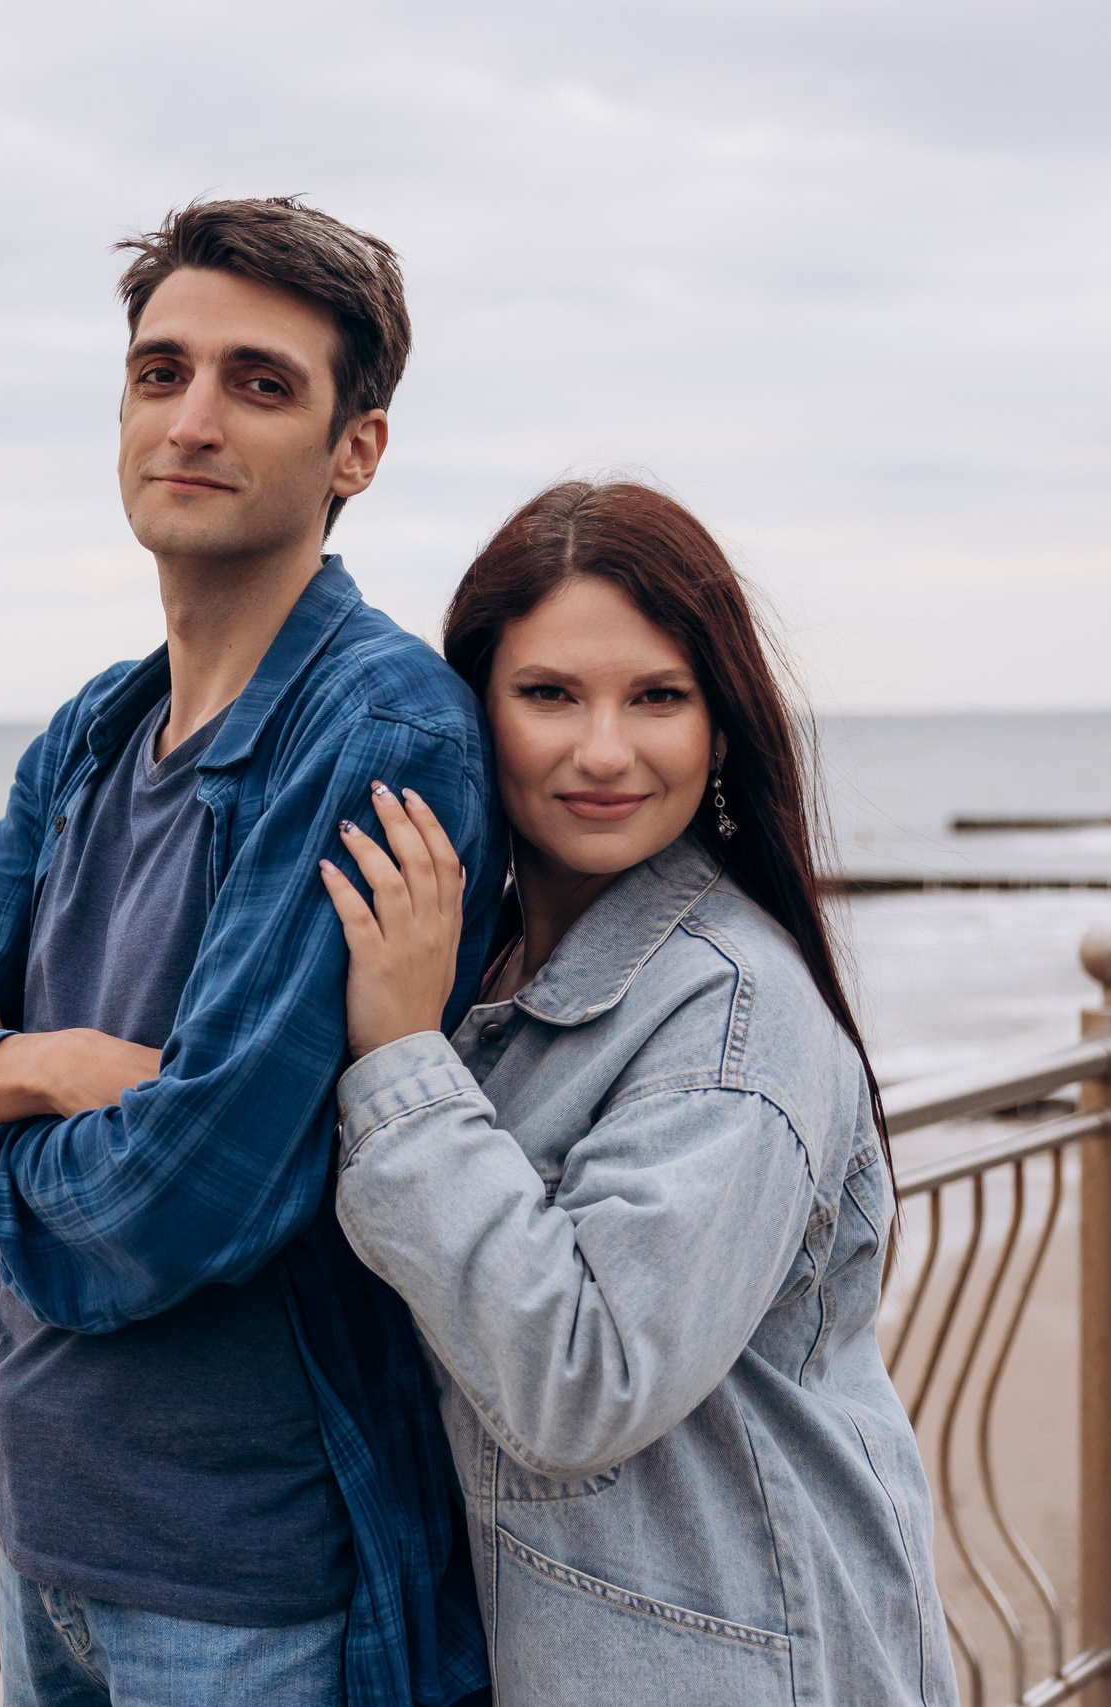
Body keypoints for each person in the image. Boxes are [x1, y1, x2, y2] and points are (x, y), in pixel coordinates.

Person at [0, 197, 497, 1707]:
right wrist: (41, 1063)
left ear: (354, 449)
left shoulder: (378, 732)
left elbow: (187, 1195)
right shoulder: (97, 731)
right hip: (49, 1538)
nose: (191, 417)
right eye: (159, 370)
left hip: (253, 1588)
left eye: (261, 382)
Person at [318, 480, 955, 1704]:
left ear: (719, 727)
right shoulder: (475, 969)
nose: (602, 749)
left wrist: (398, 1059)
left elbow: (582, 1381)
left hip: (735, 1660)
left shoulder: (730, 1012)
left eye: (656, 696)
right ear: (473, 710)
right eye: (549, 693)